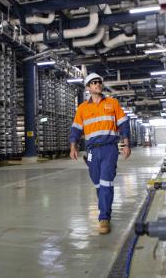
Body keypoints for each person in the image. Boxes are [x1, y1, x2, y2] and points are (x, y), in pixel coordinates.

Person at [69, 72, 131, 234]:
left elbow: (123, 124)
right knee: (97, 183)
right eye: (93, 83)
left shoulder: (112, 103)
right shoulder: (82, 108)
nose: (97, 84)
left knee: (105, 182)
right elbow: (76, 129)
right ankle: (104, 206)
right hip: (92, 151)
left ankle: (104, 218)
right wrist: (73, 146)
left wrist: (126, 143)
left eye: (99, 82)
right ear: (88, 87)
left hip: (109, 149)